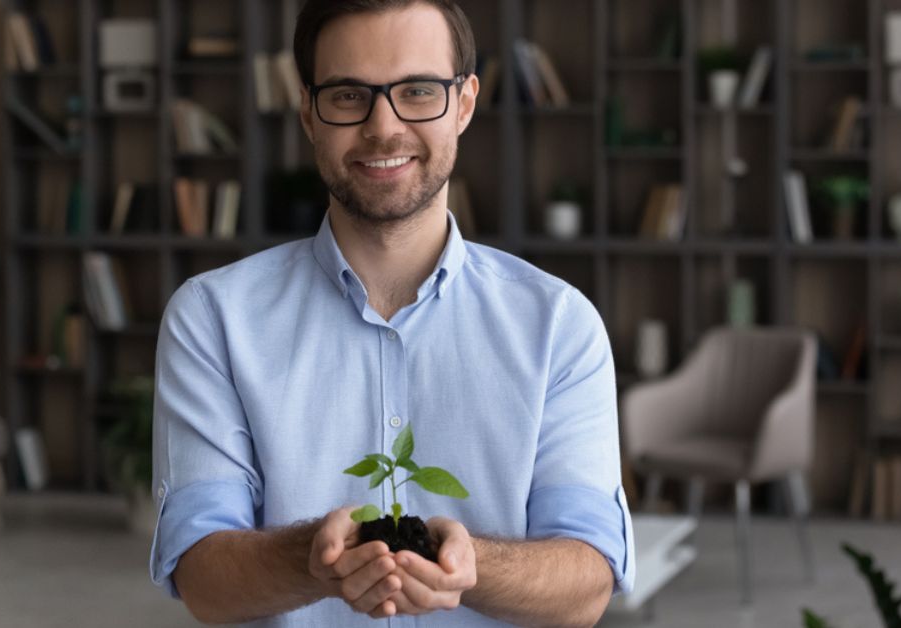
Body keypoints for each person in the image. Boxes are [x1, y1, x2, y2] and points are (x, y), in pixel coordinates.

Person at [149, 0, 635, 625]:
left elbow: (588, 580)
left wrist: (473, 566)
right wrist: (309, 559)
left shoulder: (560, 326)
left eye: (418, 90)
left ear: (463, 103)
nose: (384, 127)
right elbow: (203, 579)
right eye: (349, 95)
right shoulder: (212, 319)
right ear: (308, 112)